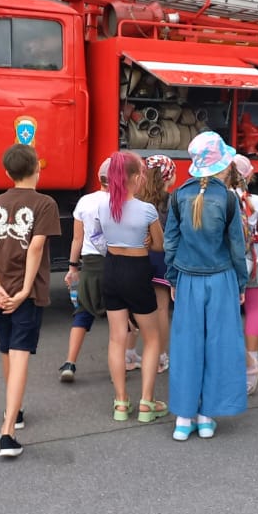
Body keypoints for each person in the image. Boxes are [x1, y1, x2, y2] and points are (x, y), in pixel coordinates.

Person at [0, 143, 62, 459]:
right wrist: (26, 289)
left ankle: (14, 410)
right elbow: (36, 247)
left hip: (0, 291)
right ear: (37, 168)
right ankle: (8, 431)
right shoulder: (45, 204)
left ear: (7, 172)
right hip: (24, 293)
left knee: (6, 350)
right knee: (21, 354)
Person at [164, 131, 248, 441]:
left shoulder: (178, 196)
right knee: (220, 345)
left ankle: (183, 419)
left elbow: (171, 242)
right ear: (222, 164)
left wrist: (172, 278)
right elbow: (237, 247)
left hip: (188, 278)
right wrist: (241, 282)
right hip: (221, 278)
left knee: (187, 346)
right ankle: (207, 415)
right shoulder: (227, 199)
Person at [96, 151, 168, 424]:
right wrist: (148, 241)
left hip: (111, 269)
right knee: (151, 339)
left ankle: (121, 403)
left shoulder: (104, 207)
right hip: (137, 271)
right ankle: (147, 403)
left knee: (116, 338)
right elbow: (159, 246)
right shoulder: (147, 210)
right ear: (136, 178)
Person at [60, 159, 111, 383]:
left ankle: (70, 362)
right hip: (115, 263)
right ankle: (121, 363)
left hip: (90, 264)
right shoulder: (124, 202)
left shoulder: (85, 201)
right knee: (121, 318)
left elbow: (77, 239)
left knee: (82, 313)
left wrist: (73, 267)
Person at [231, 155, 258, 393]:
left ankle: (233, 358)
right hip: (252, 262)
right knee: (253, 311)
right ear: (249, 175)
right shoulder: (257, 200)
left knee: (229, 312)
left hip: (228, 264)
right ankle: (253, 361)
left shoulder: (222, 198)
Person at [137, 154, 178, 375]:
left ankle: (133, 352)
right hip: (162, 257)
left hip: (140, 257)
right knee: (161, 308)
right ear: (168, 176)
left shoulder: (138, 199)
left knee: (139, 308)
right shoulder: (171, 200)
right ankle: (160, 356)